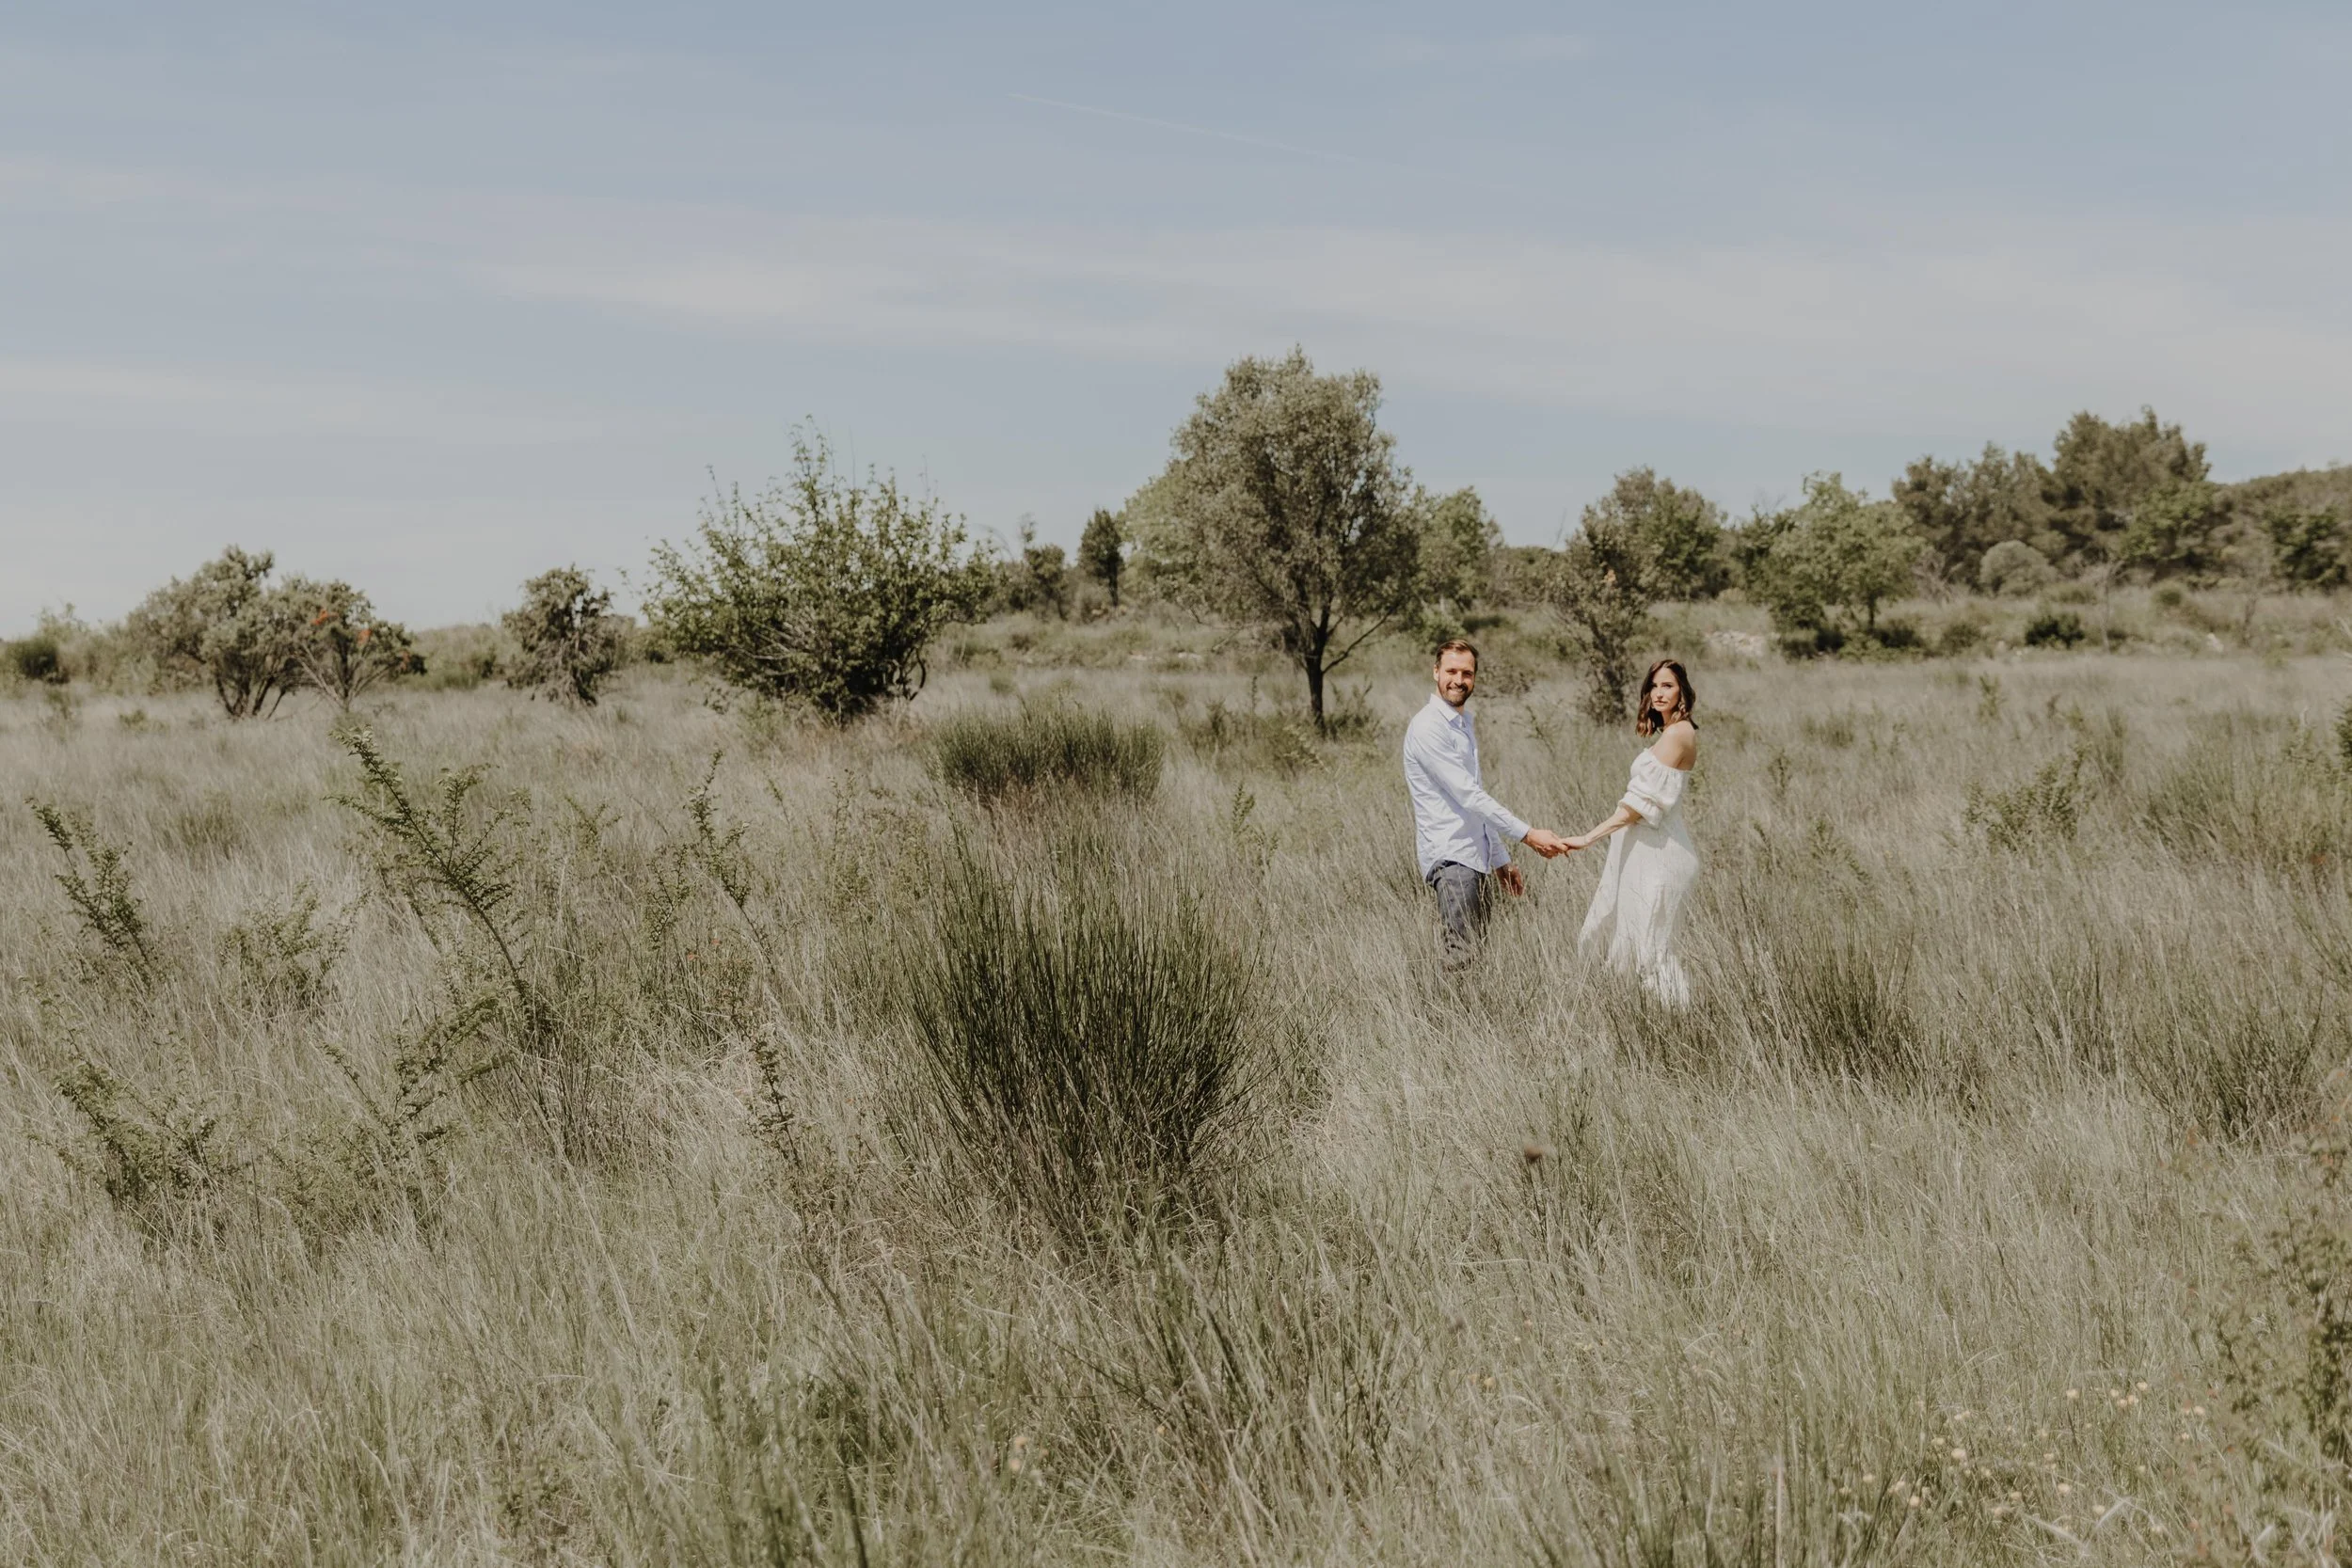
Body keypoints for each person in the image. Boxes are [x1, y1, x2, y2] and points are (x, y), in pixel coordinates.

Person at [1403, 640, 1570, 969]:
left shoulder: (1462, 722)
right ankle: (1445, 1020)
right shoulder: (1428, 726)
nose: (1459, 680)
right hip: (1452, 858)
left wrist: (1499, 860)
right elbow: (1470, 795)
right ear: (1436, 671)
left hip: (1472, 858)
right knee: (1462, 960)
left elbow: (1473, 802)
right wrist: (1529, 835)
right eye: (1451, 671)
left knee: (1476, 958)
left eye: (1467, 673)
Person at [1567, 658, 1702, 1005]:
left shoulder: (1680, 734)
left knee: (1652, 950)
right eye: (1654, 686)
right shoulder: (1669, 732)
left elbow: (1637, 807)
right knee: (1633, 944)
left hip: (1662, 853)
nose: (1659, 693)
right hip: (1643, 851)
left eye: (1668, 686)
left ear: (1682, 691)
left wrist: (1586, 838)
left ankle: (1683, 1025)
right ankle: (1648, 1023)